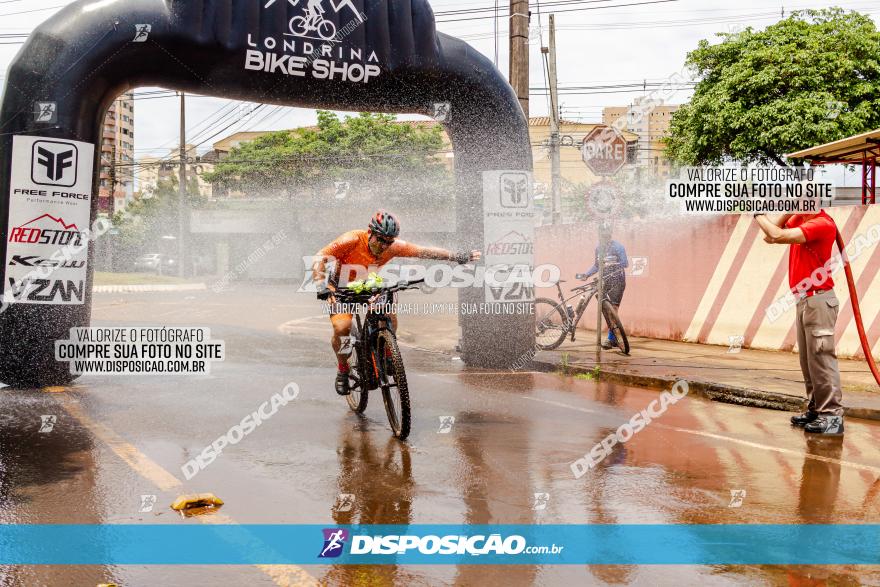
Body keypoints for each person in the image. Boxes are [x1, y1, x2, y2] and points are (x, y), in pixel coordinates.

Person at [313, 211, 480, 395]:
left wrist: (456, 256)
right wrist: (321, 285)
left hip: (368, 284)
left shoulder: (393, 247)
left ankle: (388, 354)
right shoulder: (352, 239)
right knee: (342, 328)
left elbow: (424, 251)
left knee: (388, 312)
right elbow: (320, 257)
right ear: (370, 233)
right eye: (380, 239)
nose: (384, 245)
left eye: (389, 241)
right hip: (340, 287)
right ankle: (343, 368)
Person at [754, 211, 844, 435]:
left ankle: (832, 417)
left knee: (822, 360)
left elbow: (777, 234)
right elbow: (769, 237)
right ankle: (816, 410)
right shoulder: (800, 218)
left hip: (819, 299)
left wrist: (757, 213)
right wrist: (786, 213)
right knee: (808, 361)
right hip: (804, 299)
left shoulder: (822, 223)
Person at [578, 224, 628, 350]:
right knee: (605, 310)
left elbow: (625, 263)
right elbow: (596, 265)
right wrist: (587, 274)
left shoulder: (618, 247)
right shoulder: (598, 248)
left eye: (606, 235)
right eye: (602, 235)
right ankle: (613, 337)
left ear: (610, 234)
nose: (604, 237)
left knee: (613, 309)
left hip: (618, 281)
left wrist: (609, 263)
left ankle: (611, 339)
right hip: (604, 282)